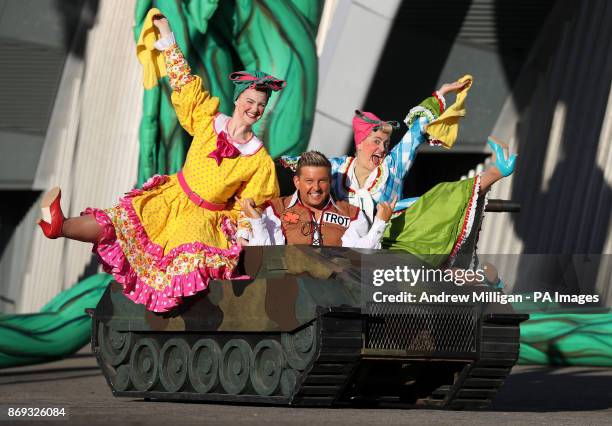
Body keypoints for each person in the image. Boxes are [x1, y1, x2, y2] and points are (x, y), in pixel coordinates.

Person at [36, 13, 282, 312]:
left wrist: (242, 235)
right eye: (250, 101)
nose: (254, 109)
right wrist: (167, 37)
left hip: (203, 219)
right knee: (120, 221)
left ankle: (169, 324)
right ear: (237, 99)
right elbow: (184, 83)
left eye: (261, 105)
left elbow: (251, 205)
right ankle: (60, 226)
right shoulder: (208, 120)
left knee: (186, 261)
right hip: (171, 198)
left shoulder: (258, 158)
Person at [281, 83, 517, 267]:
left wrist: (441, 95)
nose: (382, 149)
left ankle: (497, 171)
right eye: (376, 142)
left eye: (385, 143)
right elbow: (304, 170)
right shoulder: (337, 168)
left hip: (392, 238)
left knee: (442, 195)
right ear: (360, 143)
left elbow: (415, 134)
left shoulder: (392, 166)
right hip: (345, 244)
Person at [240, 151, 396, 248]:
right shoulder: (276, 209)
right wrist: (256, 220)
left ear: (330, 181)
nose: (316, 188)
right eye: (309, 181)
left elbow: (358, 259)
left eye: (322, 181)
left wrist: (380, 223)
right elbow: (265, 258)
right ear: (297, 182)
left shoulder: (352, 214)